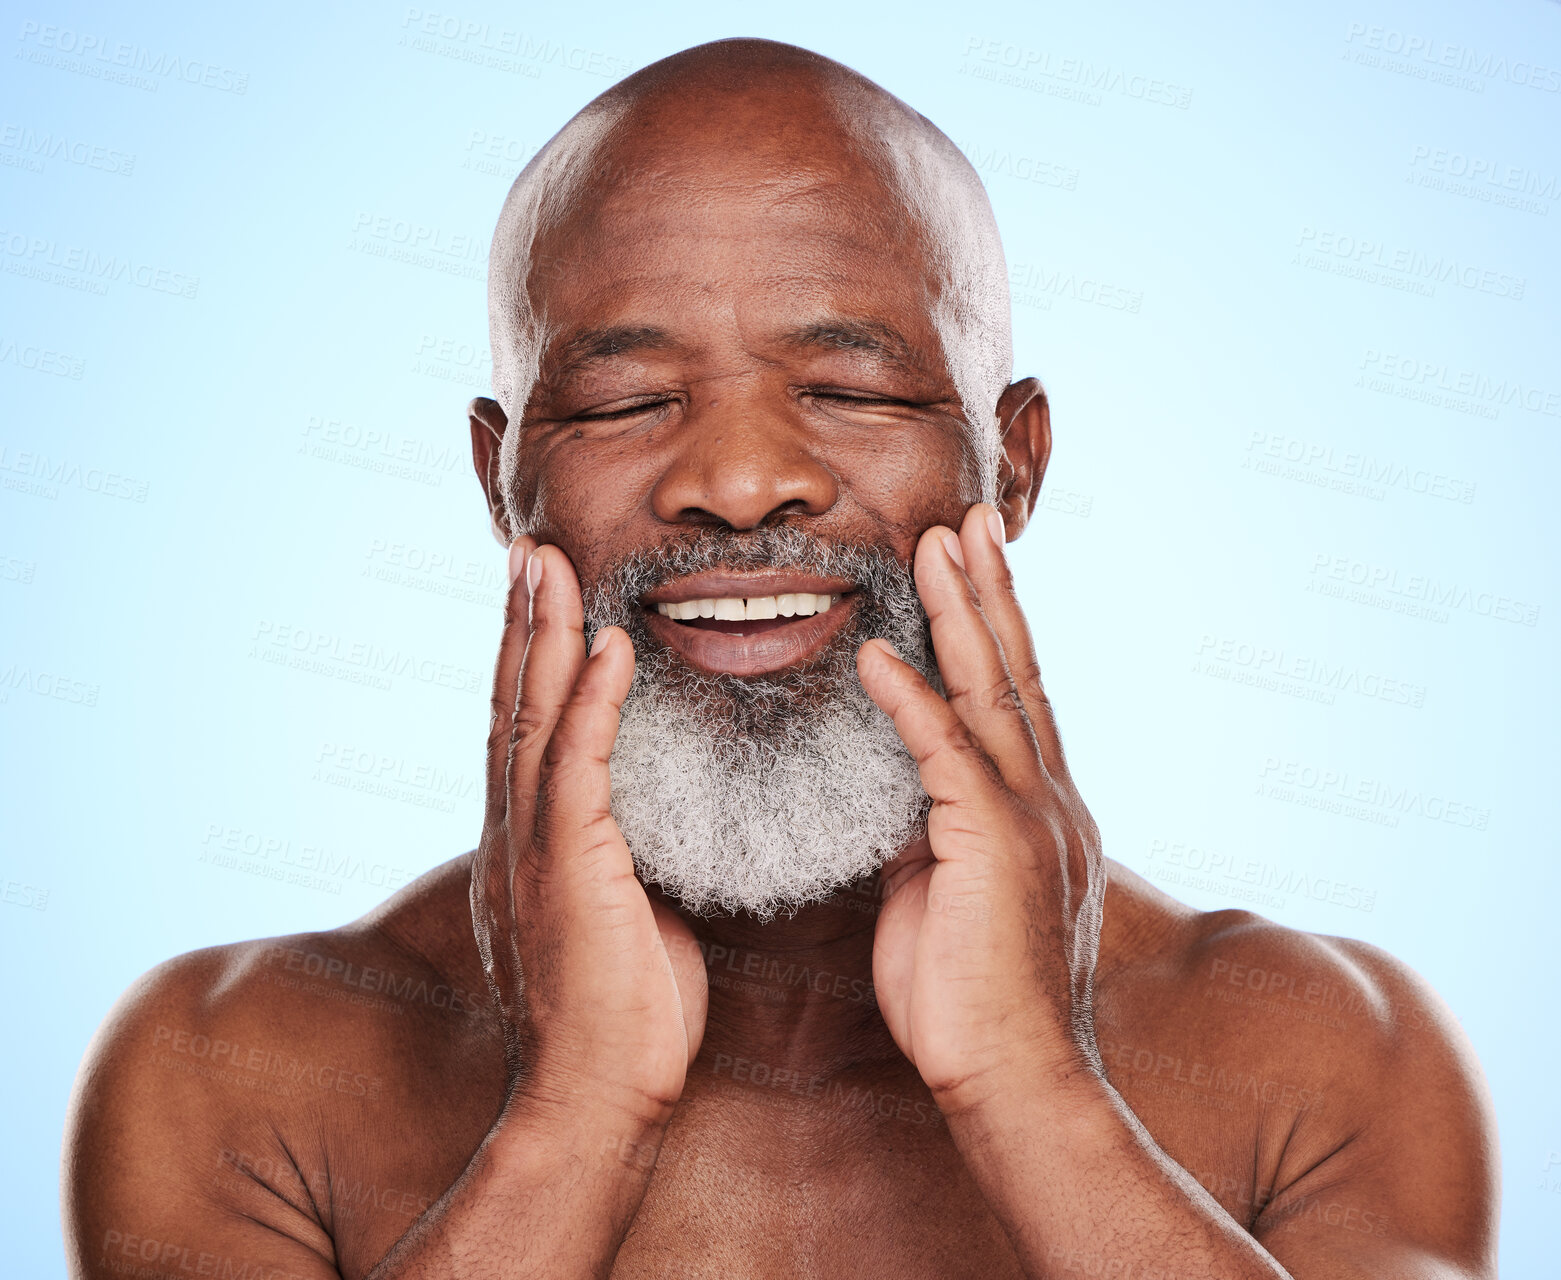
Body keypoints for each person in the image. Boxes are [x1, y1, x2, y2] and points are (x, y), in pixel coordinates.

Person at [63, 37, 1498, 1280]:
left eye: (847, 386)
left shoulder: (1320, 1060)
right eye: (625, 402)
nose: (741, 481)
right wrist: (573, 1122)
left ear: (1015, 465)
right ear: (502, 482)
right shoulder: (228, 1075)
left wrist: (1035, 1096)